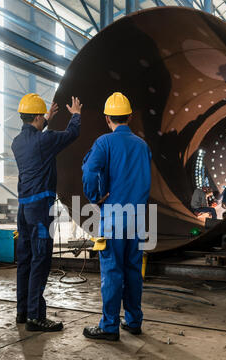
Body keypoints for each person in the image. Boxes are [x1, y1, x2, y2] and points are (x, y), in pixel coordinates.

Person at [81, 92, 152, 341]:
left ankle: (109, 326)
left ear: (106, 118)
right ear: (130, 117)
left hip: (113, 216)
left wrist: (94, 196)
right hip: (139, 217)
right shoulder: (143, 146)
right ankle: (133, 321)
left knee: (112, 271)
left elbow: (90, 170)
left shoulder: (104, 143)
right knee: (133, 269)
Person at [12, 93, 82, 332]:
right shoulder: (46, 140)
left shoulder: (17, 142)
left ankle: (22, 311)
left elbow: (38, 142)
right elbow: (72, 134)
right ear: (38, 117)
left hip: (24, 210)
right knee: (40, 260)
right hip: (41, 210)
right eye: (42, 116)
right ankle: (35, 317)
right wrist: (76, 116)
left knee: (25, 261)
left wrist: (46, 121)